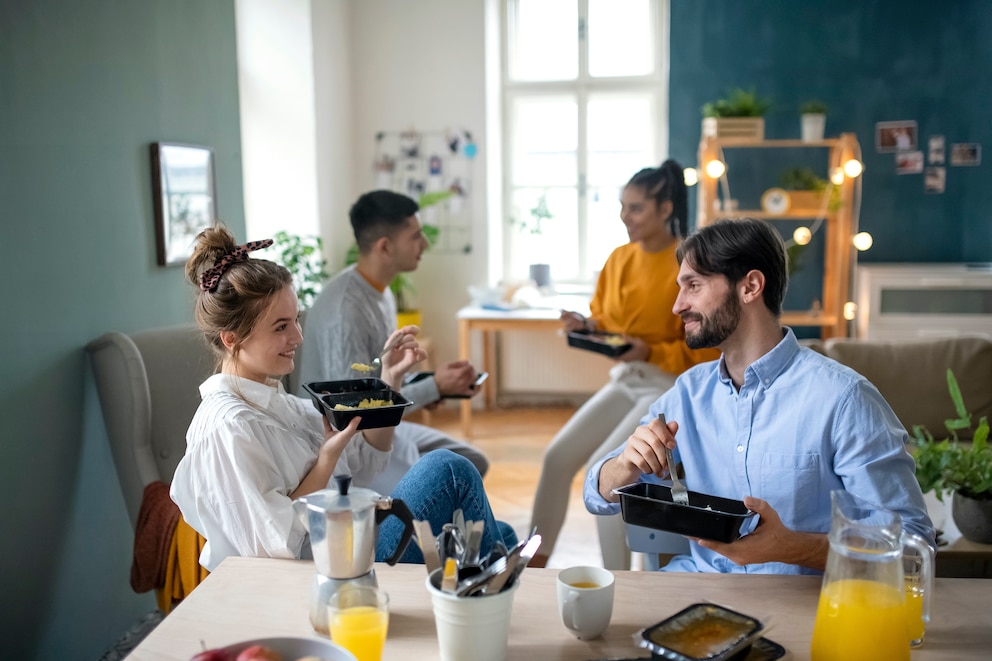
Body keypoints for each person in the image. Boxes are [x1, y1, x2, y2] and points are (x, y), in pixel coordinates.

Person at [584, 217, 935, 574]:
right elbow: (595, 496)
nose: (677, 305)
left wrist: (794, 549)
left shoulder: (844, 399)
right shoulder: (687, 395)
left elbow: (913, 548)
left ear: (750, 286)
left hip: (796, 609)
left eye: (693, 285)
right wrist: (624, 465)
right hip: (696, 594)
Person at [171, 226, 515, 572]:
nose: (298, 337)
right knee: (449, 471)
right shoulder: (230, 427)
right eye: (280, 327)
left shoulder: (276, 402)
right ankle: (485, 606)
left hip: (346, 541)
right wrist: (325, 462)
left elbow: (365, 462)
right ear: (232, 339)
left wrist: (390, 380)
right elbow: (274, 546)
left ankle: (480, 605)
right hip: (326, 570)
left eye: (295, 321)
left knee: (503, 533)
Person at [528, 160, 719, 569]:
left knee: (610, 468)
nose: (624, 217)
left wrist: (649, 352)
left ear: (665, 209)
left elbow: (703, 350)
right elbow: (609, 322)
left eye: (635, 208)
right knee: (557, 457)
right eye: (622, 206)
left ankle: (617, 580)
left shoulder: (687, 263)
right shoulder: (618, 259)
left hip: (666, 383)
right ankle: (533, 564)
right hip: (627, 378)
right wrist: (587, 326)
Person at [300, 190, 488, 496]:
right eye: (415, 236)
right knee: (451, 479)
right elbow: (353, 411)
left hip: (382, 431)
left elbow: (378, 378)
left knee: (472, 461)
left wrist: (433, 382)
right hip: (347, 448)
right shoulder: (346, 309)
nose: (424, 244)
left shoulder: (380, 291)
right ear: (385, 247)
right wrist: (435, 387)